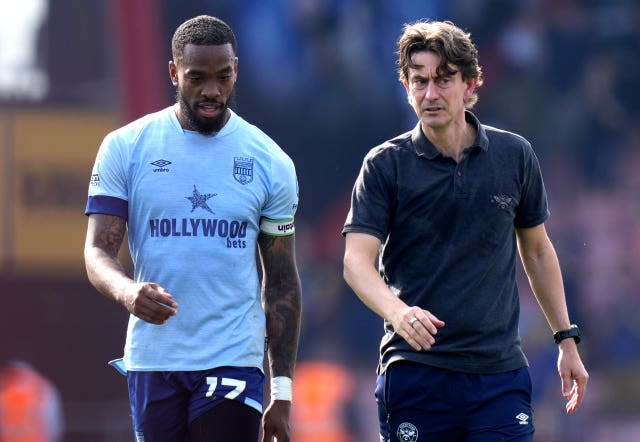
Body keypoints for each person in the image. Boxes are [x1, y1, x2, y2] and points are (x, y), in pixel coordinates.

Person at [342, 20, 588, 441]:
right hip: (416, 372)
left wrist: (566, 340)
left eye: (443, 80)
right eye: (419, 81)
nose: (430, 94)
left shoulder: (515, 155)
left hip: (498, 375)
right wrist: (398, 313)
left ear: (471, 84)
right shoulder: (385, 165)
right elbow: (355, 262)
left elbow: (537, 251)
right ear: (406, 85)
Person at [84, 15, 301, 442]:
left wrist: (282, 388)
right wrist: (128, 291)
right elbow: (97, 252)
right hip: (154, 358)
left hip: (233, 358)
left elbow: (280, 282)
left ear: (236, 69)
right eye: (197, 77)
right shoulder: (126, 148)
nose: (212, 91)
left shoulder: (269, 161)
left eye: (223, 77)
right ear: (173, 72)